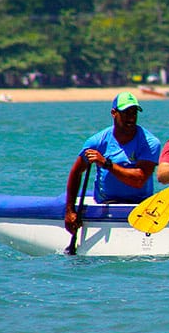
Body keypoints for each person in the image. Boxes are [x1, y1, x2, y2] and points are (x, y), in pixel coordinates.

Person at [64, 92, 162, 235]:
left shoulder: (150, 142)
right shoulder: (96, 142)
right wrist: (69, 211)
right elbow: (76, 172)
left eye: (134, 112)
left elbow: (139, 180)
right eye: (126, 113)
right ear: (113, 113)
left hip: (140, 206)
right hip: (106, 205)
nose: (131, 117)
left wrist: (106, 163)